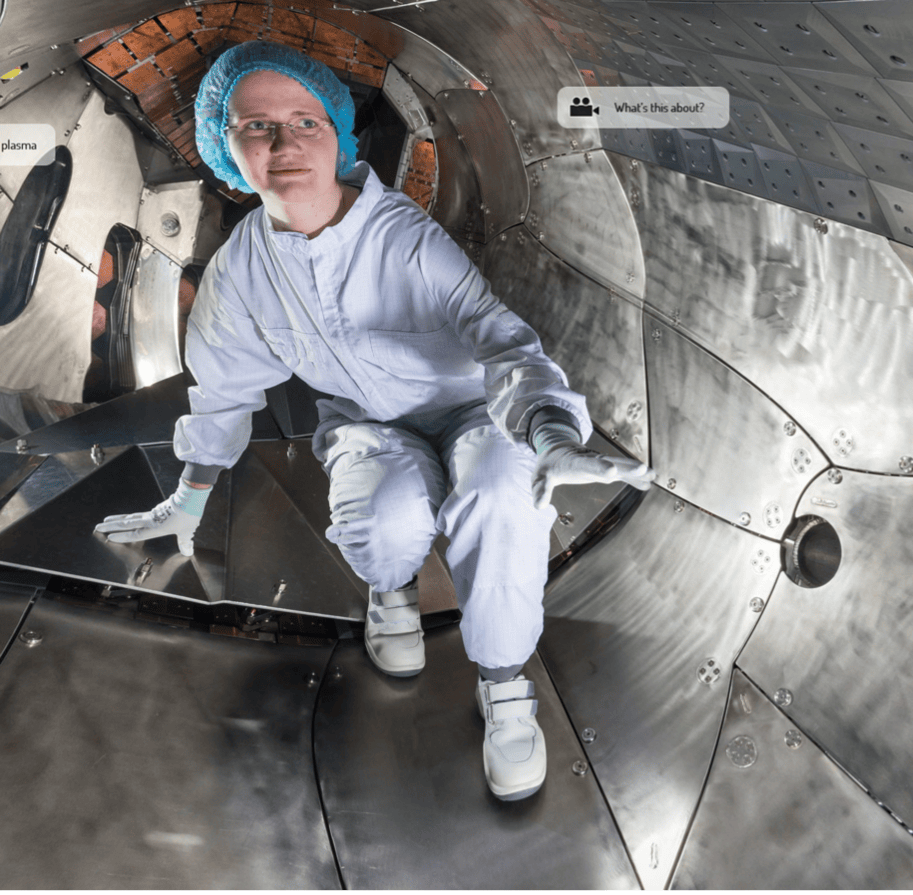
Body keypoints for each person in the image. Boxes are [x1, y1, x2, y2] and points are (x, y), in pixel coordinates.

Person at [94, 41, 654, 801]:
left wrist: (549, 435)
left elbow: (500, 340)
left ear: (338, 133)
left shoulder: (405, 240)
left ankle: (503, 681)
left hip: (471, 411)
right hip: (364, 421)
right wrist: (186, 499)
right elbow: (223, 388)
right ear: (225, 149)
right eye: (255, 127)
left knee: (500, 492)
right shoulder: (240, 273)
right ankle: (390, 588)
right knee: (380, 521)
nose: (284, 144)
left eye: (304, 121)